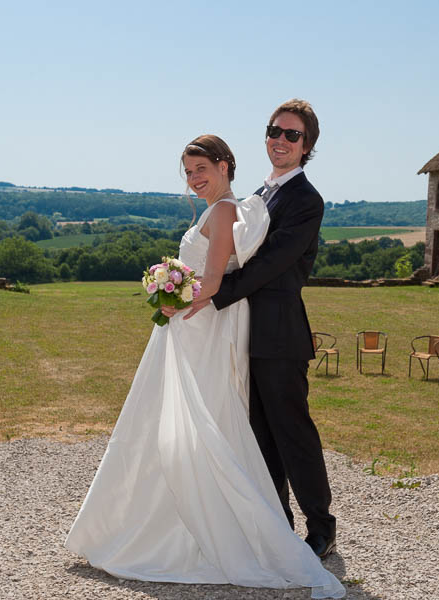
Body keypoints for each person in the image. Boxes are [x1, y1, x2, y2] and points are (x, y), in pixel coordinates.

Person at [64, 135, 344, 599]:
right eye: (189, 173)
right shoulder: (248, 199)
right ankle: (251, 516)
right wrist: (171, 284)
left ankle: (300, 525)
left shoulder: (233, 208)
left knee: (220, 421)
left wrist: (173, 297)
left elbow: (217, 278)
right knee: (216, 423)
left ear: (224, 165)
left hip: (214, 324)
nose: (195, 179)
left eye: (201, 170)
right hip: (203, 325)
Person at [184, 99, 337, 560]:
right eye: (274, 131)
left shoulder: (306, 201)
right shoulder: (261, 192)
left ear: (306, 145)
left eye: (292, 135)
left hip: (278, 332)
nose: (280, 140)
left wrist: (214, 291)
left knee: (292, 433)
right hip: (241, 332)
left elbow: (272, 265)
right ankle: (275, 524)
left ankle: (322, 526)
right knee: (258, 436)